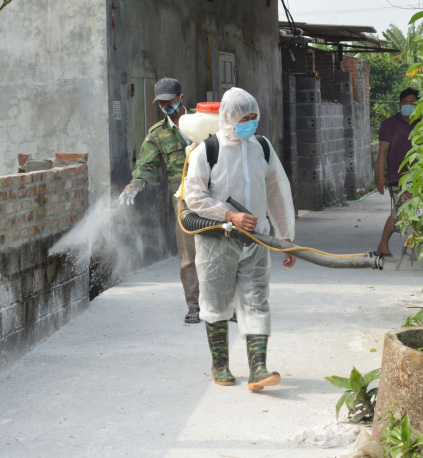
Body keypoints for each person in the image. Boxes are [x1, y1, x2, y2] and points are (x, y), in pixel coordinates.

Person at [183, 87, 296, 391]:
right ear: (229, 117)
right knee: (216, 302)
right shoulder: (207, 151)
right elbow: (194, 197)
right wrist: (229, 215)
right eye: (244, 117)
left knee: (256, 300)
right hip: (216, 241)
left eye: (254, 117)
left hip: (256, 240)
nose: (250, 123)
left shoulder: (261, 147)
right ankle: (220, 364)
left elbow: (277, 191)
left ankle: (258, 368)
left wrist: (287, 237)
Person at [119, 77, 202, 324]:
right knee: (189, 255)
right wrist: (135, 184)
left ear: (181, 98)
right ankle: (194, 305)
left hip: (215, 195)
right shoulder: (158, 134)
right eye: (161, 102)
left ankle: (226, 305)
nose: (166, 105)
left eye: (170, 100)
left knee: (221, 251)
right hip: (183, 201)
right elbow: (146, 164)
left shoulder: (203, 120)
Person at [375, 87, 419, 261]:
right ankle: (383, 245)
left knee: (417, 212)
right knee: (401, 212)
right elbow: (383, 152)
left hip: (420, 177)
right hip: (398, 177)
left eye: (412, 103)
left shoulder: (422, 123)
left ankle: (415, 249)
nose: (408, 106)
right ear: (399, 104)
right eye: (405, 102)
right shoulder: (389, 124)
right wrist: (380, 177)